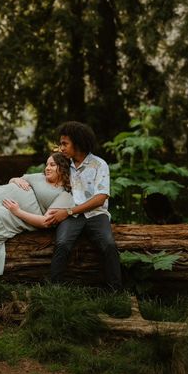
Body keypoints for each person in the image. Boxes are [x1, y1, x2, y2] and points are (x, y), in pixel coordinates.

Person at [44, 121, 122, 290]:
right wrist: (19, 179)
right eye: (60, 144)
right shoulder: (64, 165)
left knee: (108, 245)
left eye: (65, 144)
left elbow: (100, 198)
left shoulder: (99, 165)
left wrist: (68, 211)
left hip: (96, 214)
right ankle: (54, 290)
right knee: (62, 243)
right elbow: (43, 177)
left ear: (77, 143)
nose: (61, 148)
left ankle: (115, 291)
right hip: (72, 217)